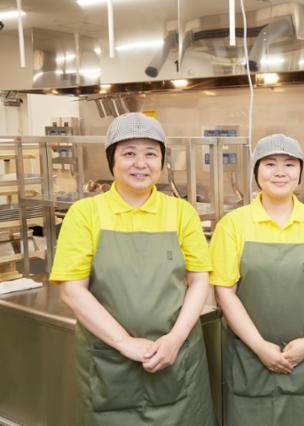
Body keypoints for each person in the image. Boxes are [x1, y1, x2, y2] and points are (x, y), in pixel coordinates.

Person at [49, 113, 215, 425]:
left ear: (162, 161)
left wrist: (175, 339)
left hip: (176, 357)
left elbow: (199, 280)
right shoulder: (85, 214)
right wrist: (124, 342)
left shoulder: (181, 213)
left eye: (151, 154)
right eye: (128, 153)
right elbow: (72, 291)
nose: (141, 163)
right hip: (109, 361)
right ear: (111, 160)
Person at [210, 134, 304, 426]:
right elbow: (225, 292)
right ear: (256, 172)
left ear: (299, 172)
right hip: (249, 356)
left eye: (289, 164)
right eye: (270, 164)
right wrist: (260, 347)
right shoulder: (233, 225)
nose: (280, 172)